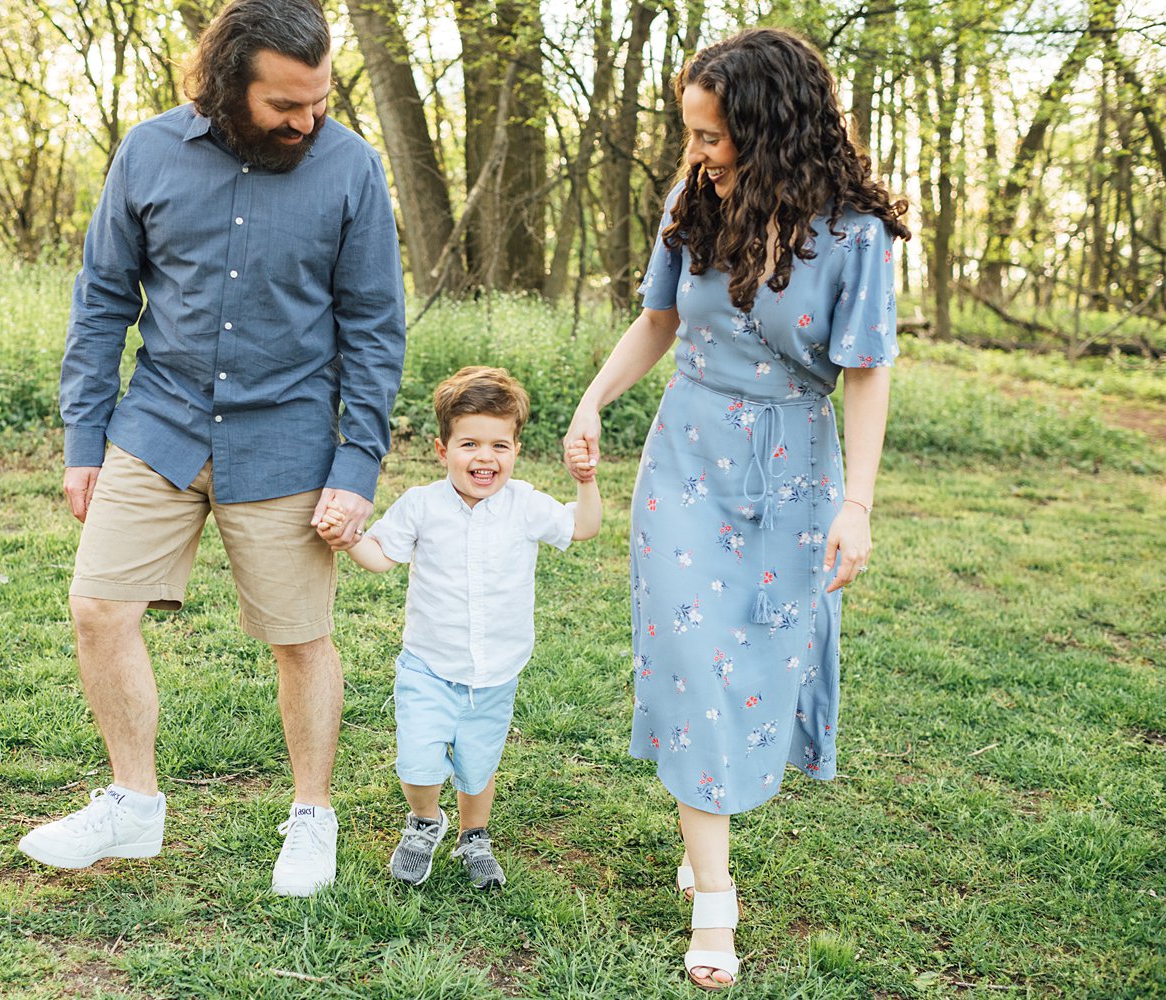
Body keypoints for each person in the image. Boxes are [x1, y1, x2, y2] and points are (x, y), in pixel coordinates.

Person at [18, 0, 405, 898]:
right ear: (229, 86)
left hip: (288, 435)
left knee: (299, 636)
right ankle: (131, 804)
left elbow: (374, 331)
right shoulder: (147, 153)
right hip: (158, 424)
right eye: (285, 105)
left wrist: (356, 465)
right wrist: (85, 439)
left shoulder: (350, 167)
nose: (307, 121)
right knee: (98, 609)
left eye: (318, 100)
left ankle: (312, 814)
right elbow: (102, 299)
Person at [565, 28, 909, 990]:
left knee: (755, 653)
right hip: (684, 456)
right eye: (691, 135)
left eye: (713, 137)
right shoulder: (693, 202)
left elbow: (867, 376)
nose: (697, 153)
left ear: (771, 129)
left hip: (793, 467)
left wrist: (859, 504)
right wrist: (594, 400)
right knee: (689, 656)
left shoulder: (856, 235)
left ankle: (704, 818)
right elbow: (661, 320)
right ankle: (715, 895)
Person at [318, 367, 601, 889]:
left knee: (478, 764)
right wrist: (347, 539)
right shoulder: (422, 506)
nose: (485, 458)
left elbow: (583, 527)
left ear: (517, 449)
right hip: (429, 664)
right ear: (441, 448)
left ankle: (475, 835)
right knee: (418, 762)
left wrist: (585, 481)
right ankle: (425, 820)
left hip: (495, 672)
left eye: (500, 445)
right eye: (469, 443)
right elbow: (381, 556)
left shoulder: (525, 506)